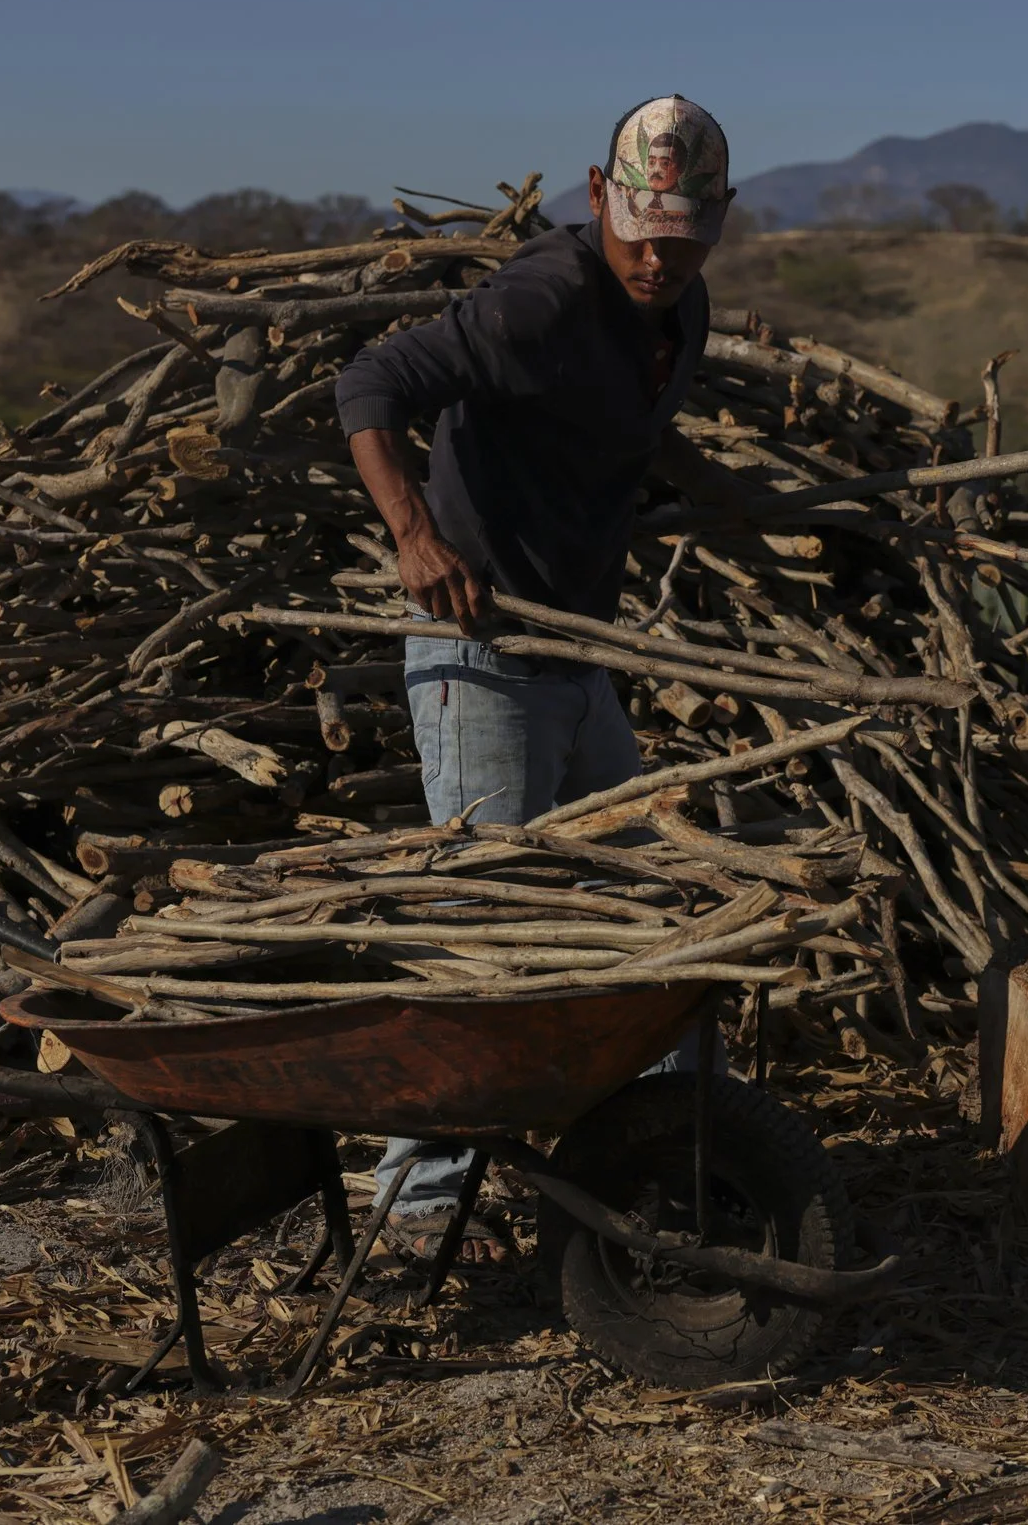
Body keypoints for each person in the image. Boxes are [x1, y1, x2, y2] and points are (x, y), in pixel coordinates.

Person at [333, 94, 753, 1244]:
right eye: (642, 234)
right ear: (599, 193)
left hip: (573, 654)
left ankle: (670, 1150)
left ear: (720, 216)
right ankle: (416, 1206)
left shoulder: (677, 307)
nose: (658, 260)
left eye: (682, 239)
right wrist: (416, 538)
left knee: (651, 903)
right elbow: (368, 387)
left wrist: (734, 498)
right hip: (483, 653)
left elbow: (628, 426)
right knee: (483, 920)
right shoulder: (544, 296)